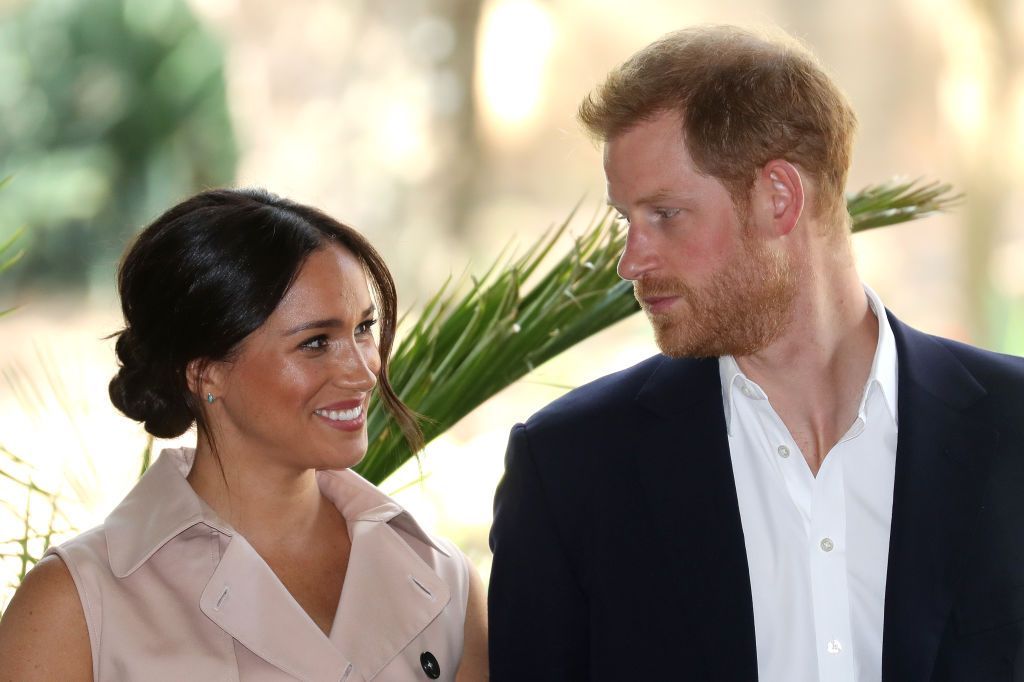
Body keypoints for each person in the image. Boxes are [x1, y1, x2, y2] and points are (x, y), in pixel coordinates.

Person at [488, 25, 1024, 682]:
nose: (630, 261)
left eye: (665, 214)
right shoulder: (569, 469)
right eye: (626, 221)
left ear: (779, 197)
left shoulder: (1013, 427)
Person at [0, 188, 488, 681]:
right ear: (206, 371)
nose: (363, 373)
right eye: (316, 343)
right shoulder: (75, 606)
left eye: (363, 328)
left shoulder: (445, 578)